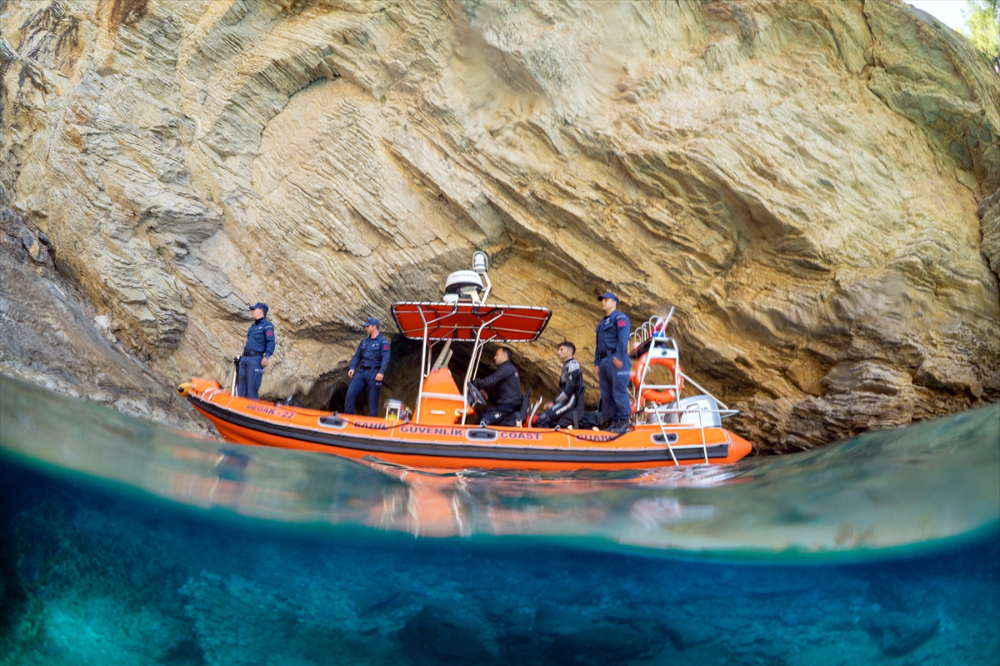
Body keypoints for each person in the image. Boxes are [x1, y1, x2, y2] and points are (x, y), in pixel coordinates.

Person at [594, 291, 631, 433]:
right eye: (602, 300)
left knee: (619, 391)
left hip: (616, 359)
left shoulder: (620, 317)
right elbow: (598, 345)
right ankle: (614, 422)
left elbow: (623, 338)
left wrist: (619, 356)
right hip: (604, 361)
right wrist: (596, 362)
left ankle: (624, 421)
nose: (603, 302)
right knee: (607, 394)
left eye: (606, 300)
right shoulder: (602, 323)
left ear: (614, 302)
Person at [345, 317, 391, 416]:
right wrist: (353, 367)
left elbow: (385, 358)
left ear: (374, 327)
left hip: (374, 373)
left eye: (367, 326)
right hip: (361, 372)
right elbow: (358, 356)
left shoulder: (383, 342)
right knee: (350, 393)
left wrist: (381, 372)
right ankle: (347, 418)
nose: (366, 328)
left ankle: (370, 425)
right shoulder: (364, 342)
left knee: (373, 402)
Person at [536, 341, 584, 428]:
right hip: (563, 402)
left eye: (561, 350)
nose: (558, 352)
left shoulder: (573, 365)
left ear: (569, 352)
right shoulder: (567, 365)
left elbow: (568, 390)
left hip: (569, 402)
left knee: (542, 420)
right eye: (559, 350)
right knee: (540, 417)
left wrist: (553, 402)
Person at [471, 347, 522, 426]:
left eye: (497, 355)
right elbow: (505, 395)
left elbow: (490, 381)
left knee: (484, 420)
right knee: (484, 414)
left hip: (509, 407)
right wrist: (488, 397)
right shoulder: (508, 368)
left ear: (504, 356)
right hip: (507, 406)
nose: (494, 357)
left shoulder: (507, 368)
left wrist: (475, 382)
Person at [237, 302, 275, 400]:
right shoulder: (252, 327)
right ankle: (240, 411)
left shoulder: (267, 326)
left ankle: (250, 412)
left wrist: (266, 357)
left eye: (254, 309)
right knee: (241, 387)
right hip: (245, 358)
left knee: (251, 388)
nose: (252, 311)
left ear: (261, 311)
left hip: (255, 360)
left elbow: (270, 342)